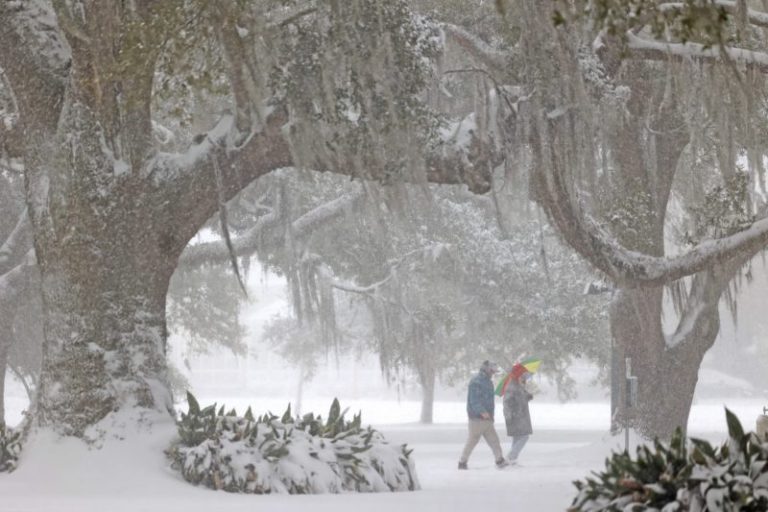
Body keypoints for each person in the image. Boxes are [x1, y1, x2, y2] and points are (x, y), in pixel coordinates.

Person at [458, 360, 508, 469]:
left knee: (494, 440)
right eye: (492, 371)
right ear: (487, 369)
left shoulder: (488, 382)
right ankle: (462, 462)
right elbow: (473, 400)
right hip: (477, 419)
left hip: (487, 419)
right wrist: (482, 411)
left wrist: (489, 414)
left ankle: (499, 460)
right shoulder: (476, 381)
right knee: (472, 441)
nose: (493, 373)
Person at [502, 363, 534, 465]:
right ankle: (510, 457)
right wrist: (510, 414)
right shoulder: (512, 387)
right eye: (523, 374)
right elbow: (507, 403)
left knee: (517, 438)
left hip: (520, 416)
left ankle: (512, 460)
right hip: (515, 417)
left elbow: (519, 399)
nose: (525, 377)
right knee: (524, 436)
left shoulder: (518, 385)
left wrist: (527, 396)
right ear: (518, 374)